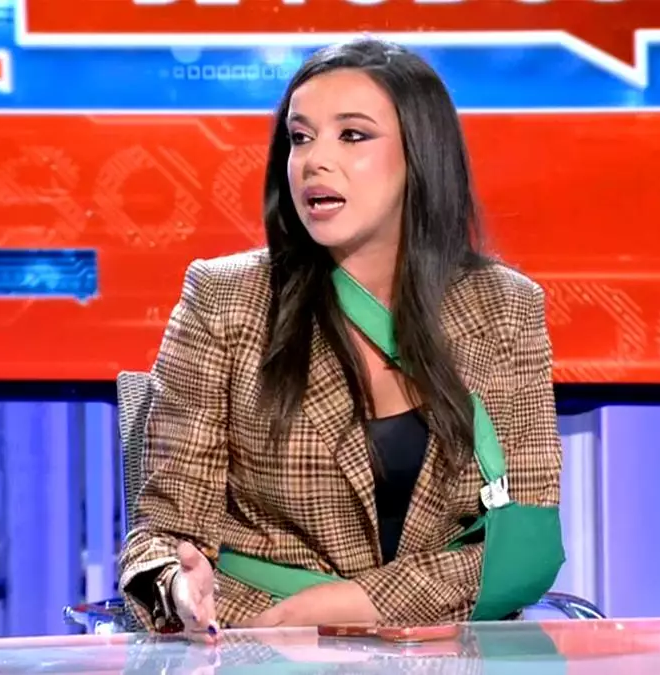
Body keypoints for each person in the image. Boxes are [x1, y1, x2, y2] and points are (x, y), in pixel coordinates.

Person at [118, 38, 566, 641]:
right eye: (300, 138)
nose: (314, 161)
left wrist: (359, 602)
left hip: (440, 649)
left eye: (352, 136)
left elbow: (527, 547)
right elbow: (163, 537)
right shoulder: (225, 299)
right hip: (264, 642)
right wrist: (178, 587)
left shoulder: (505, 306)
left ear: (420, 155)